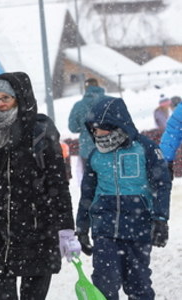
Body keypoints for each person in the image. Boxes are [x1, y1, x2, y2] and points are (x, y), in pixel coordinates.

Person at [0, 72, 79, 300]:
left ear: (20, 97)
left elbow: (58, 185)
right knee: (2, 296)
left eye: (5, 98)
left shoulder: (41, 132)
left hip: (37, 230)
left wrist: (66, 229)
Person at [76, 96, 171, 300]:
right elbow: (87, 195)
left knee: (139, 284)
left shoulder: (146, 149)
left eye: (100, 128)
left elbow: (162, 184)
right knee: (104, 284)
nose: (96, 133)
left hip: (138, 227)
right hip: (105, 229)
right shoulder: (95, 156)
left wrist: (161, 219)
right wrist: (82, 227)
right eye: (93, 129)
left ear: (115, 125)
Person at [68, 78, 105, 180]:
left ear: (85, 88)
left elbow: (73, 128)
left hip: (87, 150)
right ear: (98, 86)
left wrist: (84, 127)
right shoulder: (109, 102)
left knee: (90, 181)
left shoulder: (79, 106)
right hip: (109, 147)